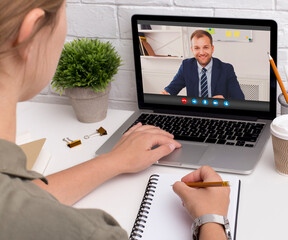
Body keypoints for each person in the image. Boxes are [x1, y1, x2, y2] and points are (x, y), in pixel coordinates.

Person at [0, 1, 230, 239]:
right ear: (32, 30)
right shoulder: (89, 233)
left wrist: (113, 161)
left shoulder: (226, 69)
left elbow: (21, 196)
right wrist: (212, 218)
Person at [160, 30, 245, 100]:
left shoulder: (226, 69)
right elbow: (172, 88)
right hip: (195, 113)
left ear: (212, 49)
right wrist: (167, 93)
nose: (201, 52)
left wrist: (225, 100)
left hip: (219, 112)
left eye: (205, 47)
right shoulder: (186, 66)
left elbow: (240, 98)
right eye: (197, 48)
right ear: (192, 50)